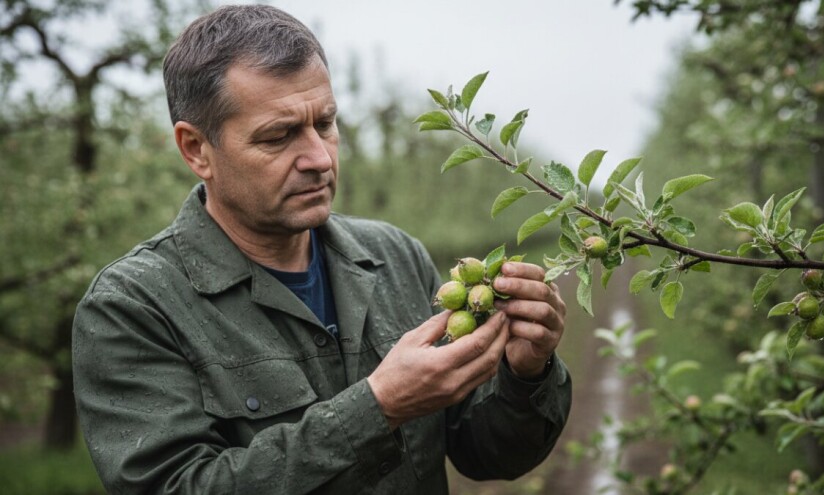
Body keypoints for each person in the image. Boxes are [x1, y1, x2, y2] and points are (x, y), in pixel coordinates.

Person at [72, 5, 571, 494]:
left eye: (325, 124)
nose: (317, 157)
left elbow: (488, 455)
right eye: (279, 135)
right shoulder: (133, 308)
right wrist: (379, 408)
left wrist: (525, 374)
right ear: (197, 149)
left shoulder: (396, 257)